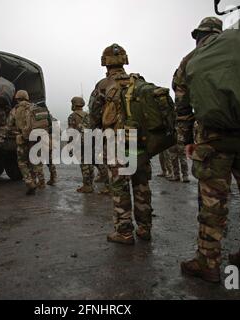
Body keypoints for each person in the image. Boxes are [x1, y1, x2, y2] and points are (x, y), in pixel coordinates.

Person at [174, 17, 240, 282]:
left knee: (212, 205)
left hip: (214, 142)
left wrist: (186, 139)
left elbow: (183, 106)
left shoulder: (191, 60)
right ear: (220, 33)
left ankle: (208, 263)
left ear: (199, 36)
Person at [89, 44, 153, 245]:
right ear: (124, 60)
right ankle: (144, 229)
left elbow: (94, 118)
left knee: (120, 187)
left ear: (104, 63)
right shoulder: (139, 81)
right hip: (139, 143)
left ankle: (124, 232)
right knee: (141, 185)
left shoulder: (103, 85)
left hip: (117, 144)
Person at [7, 90, 43, 195]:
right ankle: (35, 181)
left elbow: (8, 125)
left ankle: (29, 182)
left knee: (22, 162)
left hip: (22, 139)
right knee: (33, 162)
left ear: (17, 98)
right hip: (36, 139)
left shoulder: (15, 110)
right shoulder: (35, 108)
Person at [68, 96, 94, 193]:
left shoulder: (72, 116)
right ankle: (90, 183)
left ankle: (87, 186)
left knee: (84, 165)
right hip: (90, 141)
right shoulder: (88, 115)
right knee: (90, 163)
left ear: (74, 105)